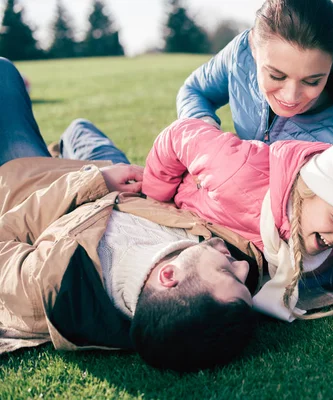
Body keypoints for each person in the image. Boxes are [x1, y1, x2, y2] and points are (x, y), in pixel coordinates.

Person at [0, 57, 263, 372]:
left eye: (228, 273)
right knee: (81, 128)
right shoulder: (219, 259)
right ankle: (64, 146)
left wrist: (95, 182)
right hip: (116, 176)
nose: (243, 267)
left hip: (35, 182)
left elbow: (7, 234)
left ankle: (53, 153)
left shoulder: (49, 287)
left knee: (3, 73)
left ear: (169, 277)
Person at [143, 118, 333, 321]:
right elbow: (179, 133)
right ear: (308, 191)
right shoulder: (237, 171)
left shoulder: (323, 244)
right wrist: (155, 198)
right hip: (169, 204)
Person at [177, 0, 333, 142]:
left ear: (332, 64)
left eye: (312, 81)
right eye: (276, 75)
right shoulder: (241, 53)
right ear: (254, 46)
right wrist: (203, 129)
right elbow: (195, 89)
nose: (290, 96)